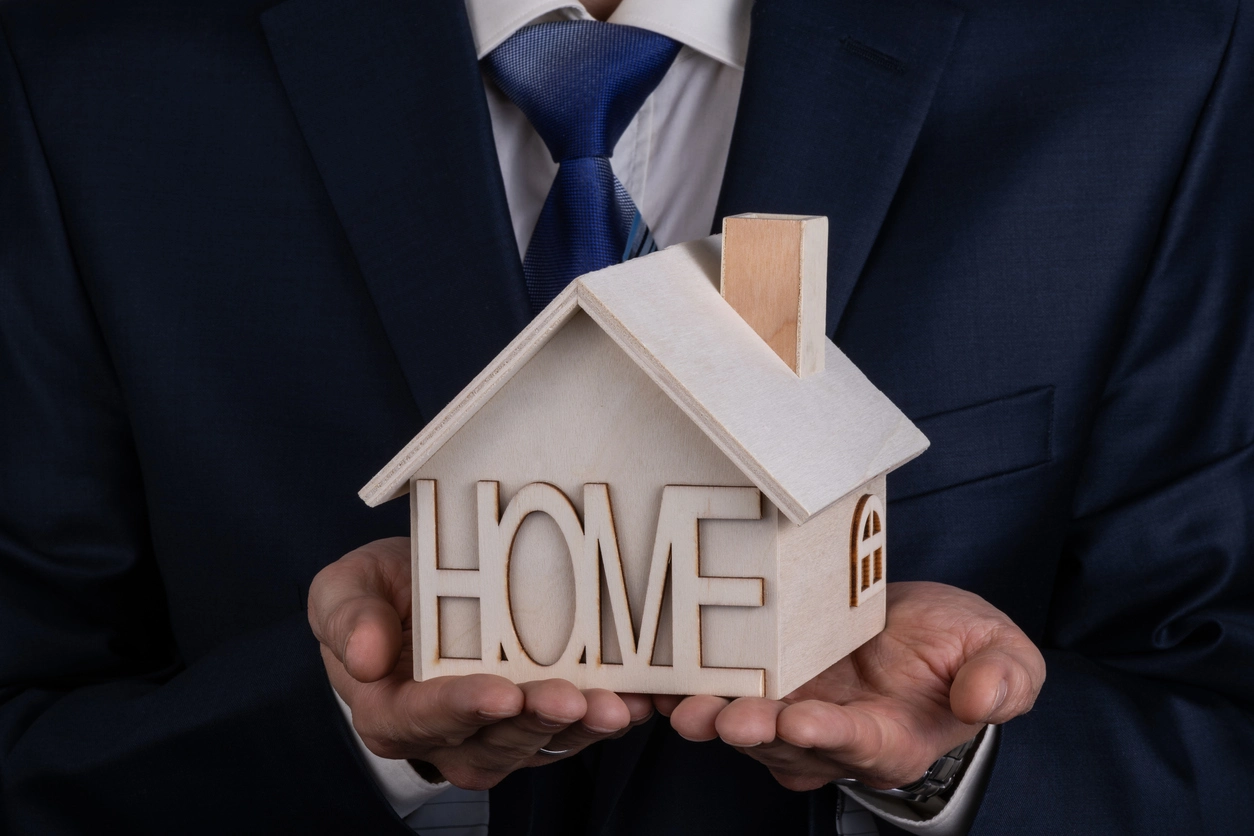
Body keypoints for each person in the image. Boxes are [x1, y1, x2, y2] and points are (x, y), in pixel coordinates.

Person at [0, 0, 1249, 835]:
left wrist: (948, 758)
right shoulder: (82, 64)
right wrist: (344, 724)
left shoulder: (1156, 60)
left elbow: (1221, 717)